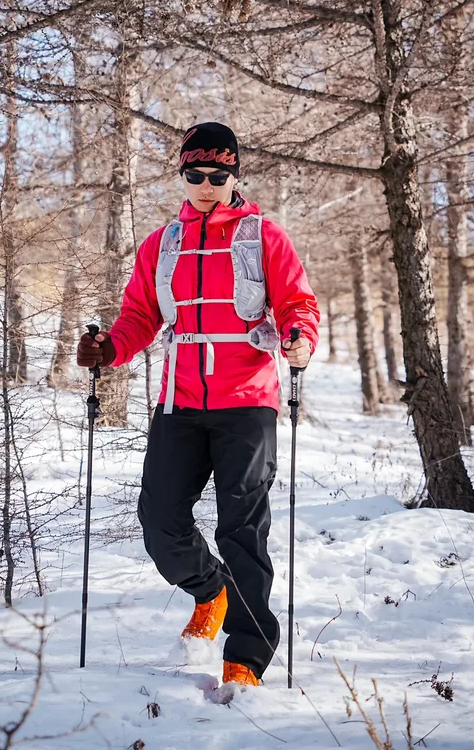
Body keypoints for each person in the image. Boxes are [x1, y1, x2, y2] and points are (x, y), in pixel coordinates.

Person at [77, 122, 320, 687]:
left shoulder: (264, 237)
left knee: (242, 529)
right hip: (180, 401)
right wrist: (109, 348)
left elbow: (296, 303)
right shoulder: (163, 244)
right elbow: (140, 317)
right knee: (160, 521)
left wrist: (299, 335)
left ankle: (247, 657)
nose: (207, 184)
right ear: (182, 174)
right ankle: (211, 593)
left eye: (219, 174)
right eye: (196, 174)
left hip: (248, 401)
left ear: (235, 175)